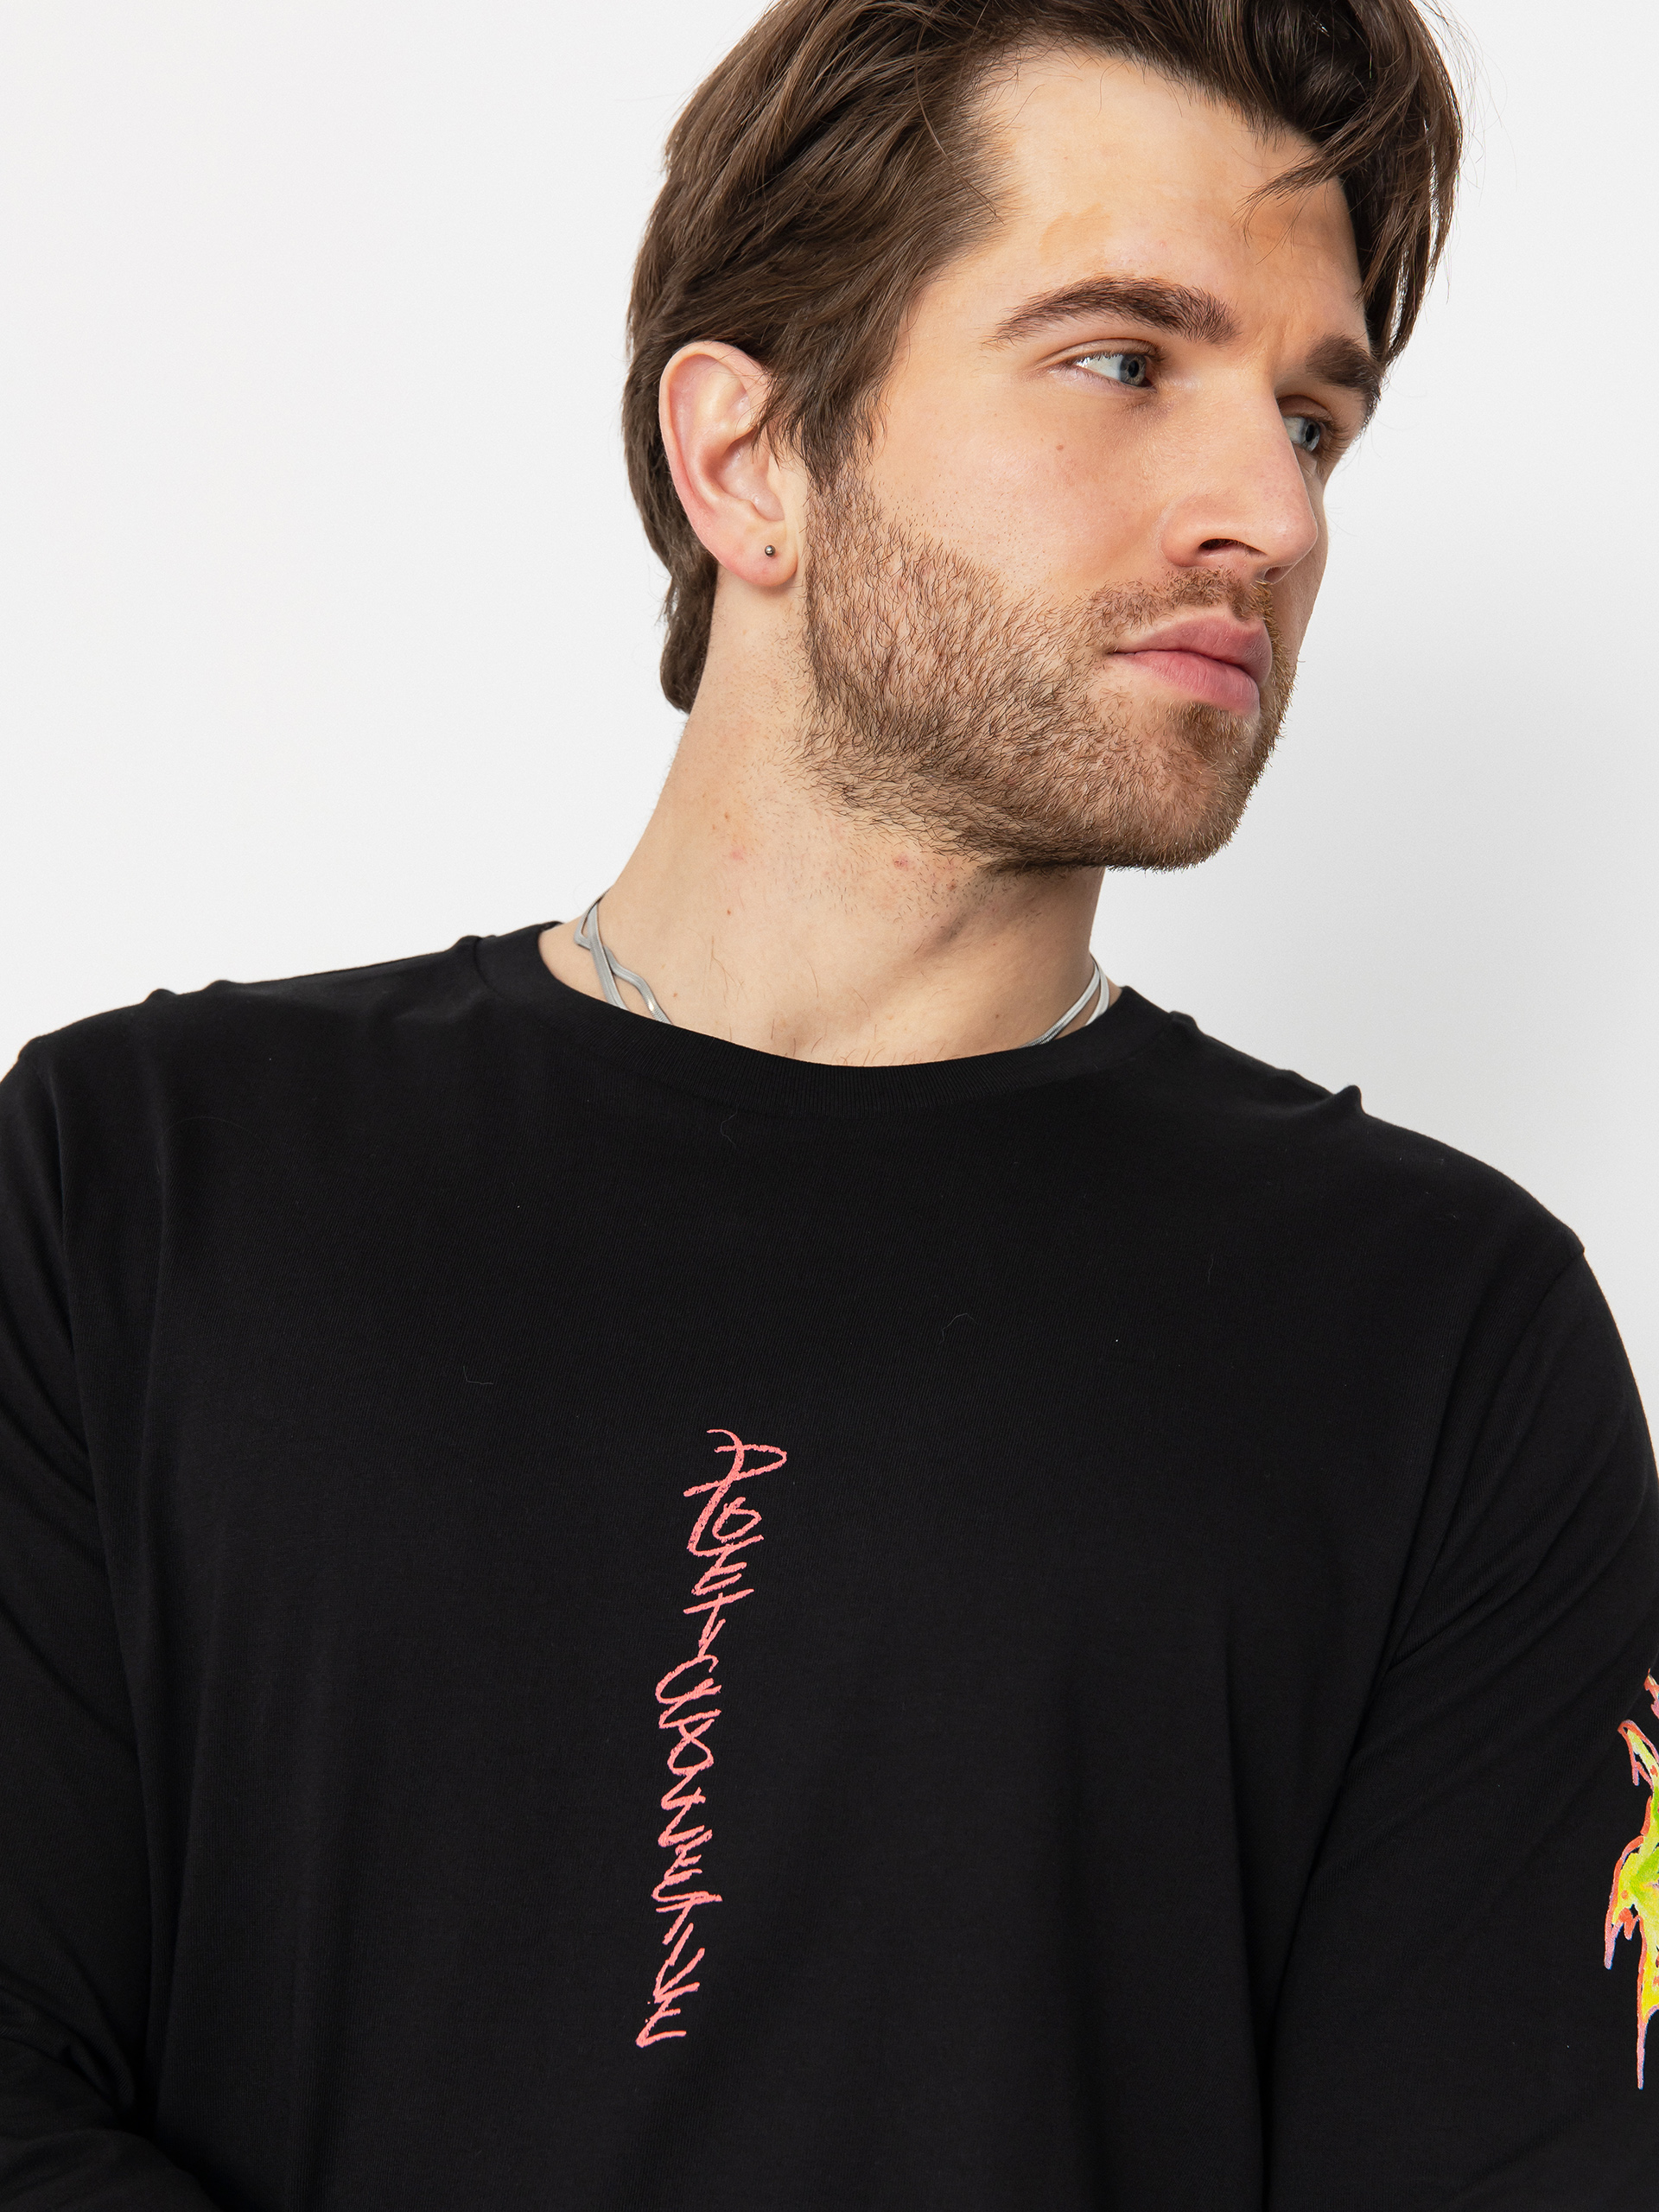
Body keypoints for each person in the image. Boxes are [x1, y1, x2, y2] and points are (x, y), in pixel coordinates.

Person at [2, 0, 1654, 2204]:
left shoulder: (1444, 1339)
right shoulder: (140, 1185)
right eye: (1122, 359)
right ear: (750, 456)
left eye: (1311, 418)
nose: (1269, 510)